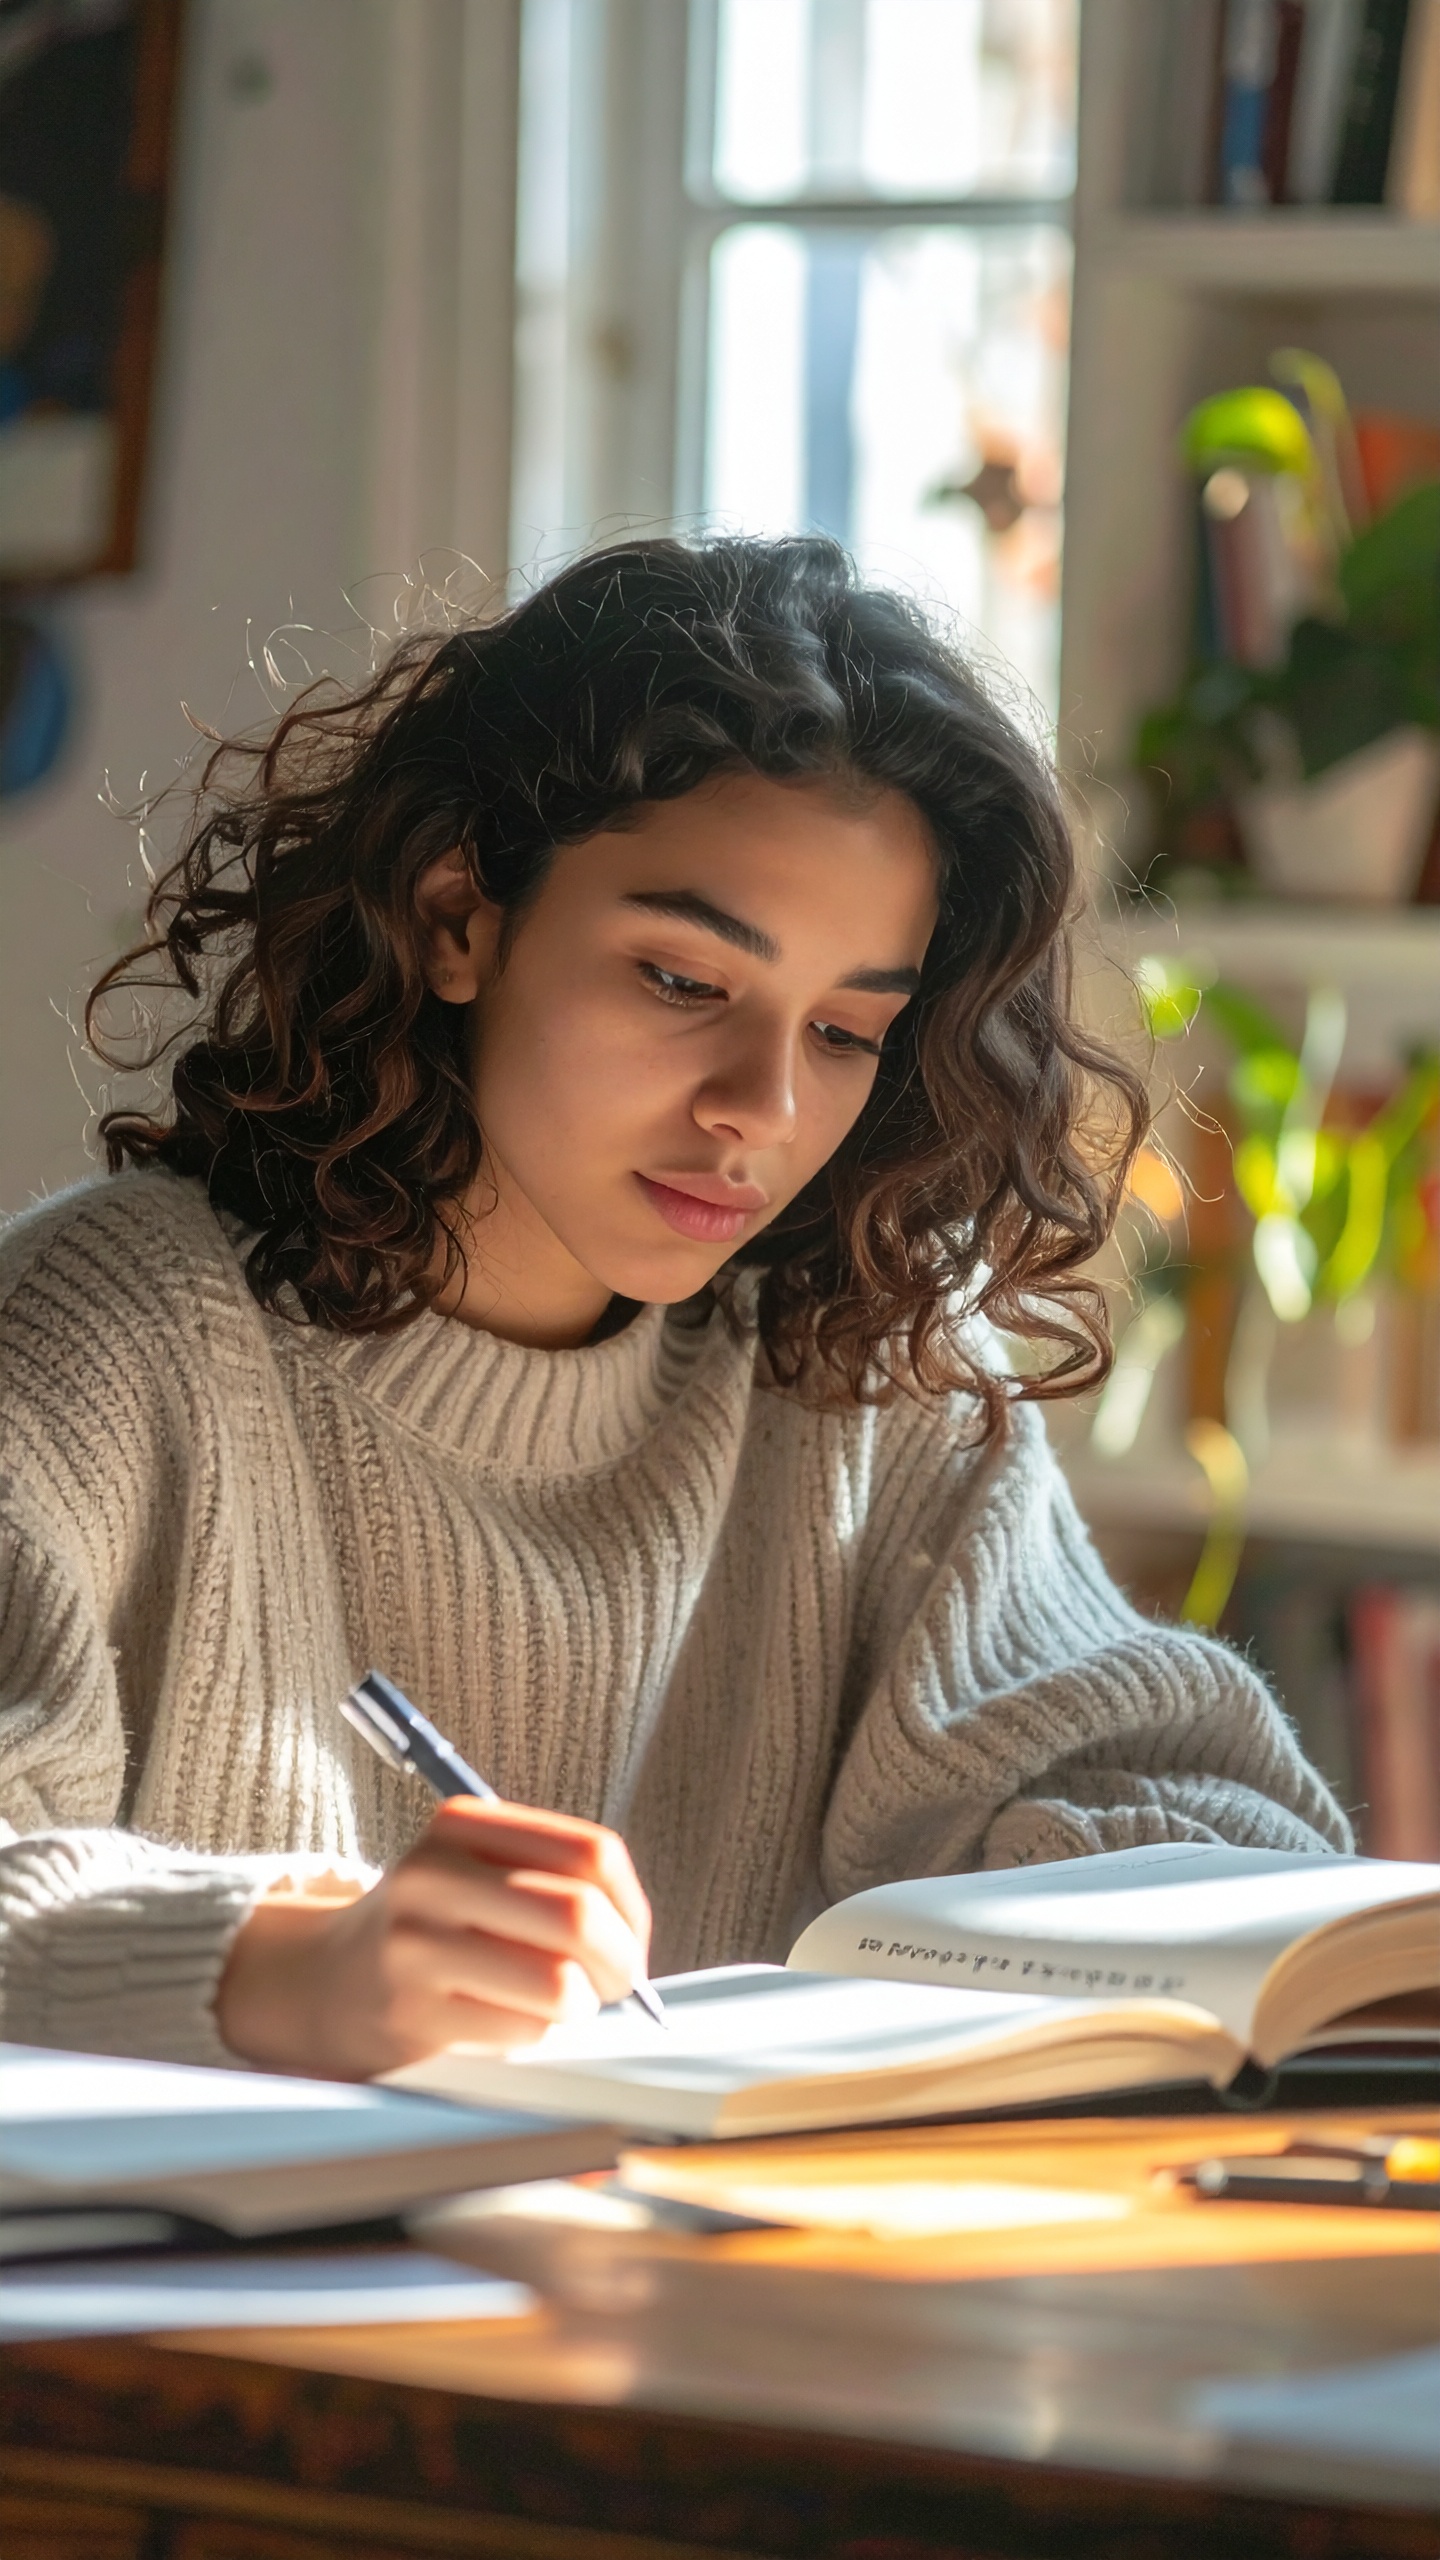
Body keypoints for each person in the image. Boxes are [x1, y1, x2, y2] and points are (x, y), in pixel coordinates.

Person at [0, 536, 1347, 2079]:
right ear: (458, 916)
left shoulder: (853, 1384)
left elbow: (1208, 1824)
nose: (760, 1107)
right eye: (686, 983)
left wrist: (1069, 1908)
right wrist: (291, 1966)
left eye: (846, 1030)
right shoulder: (111, 1338)